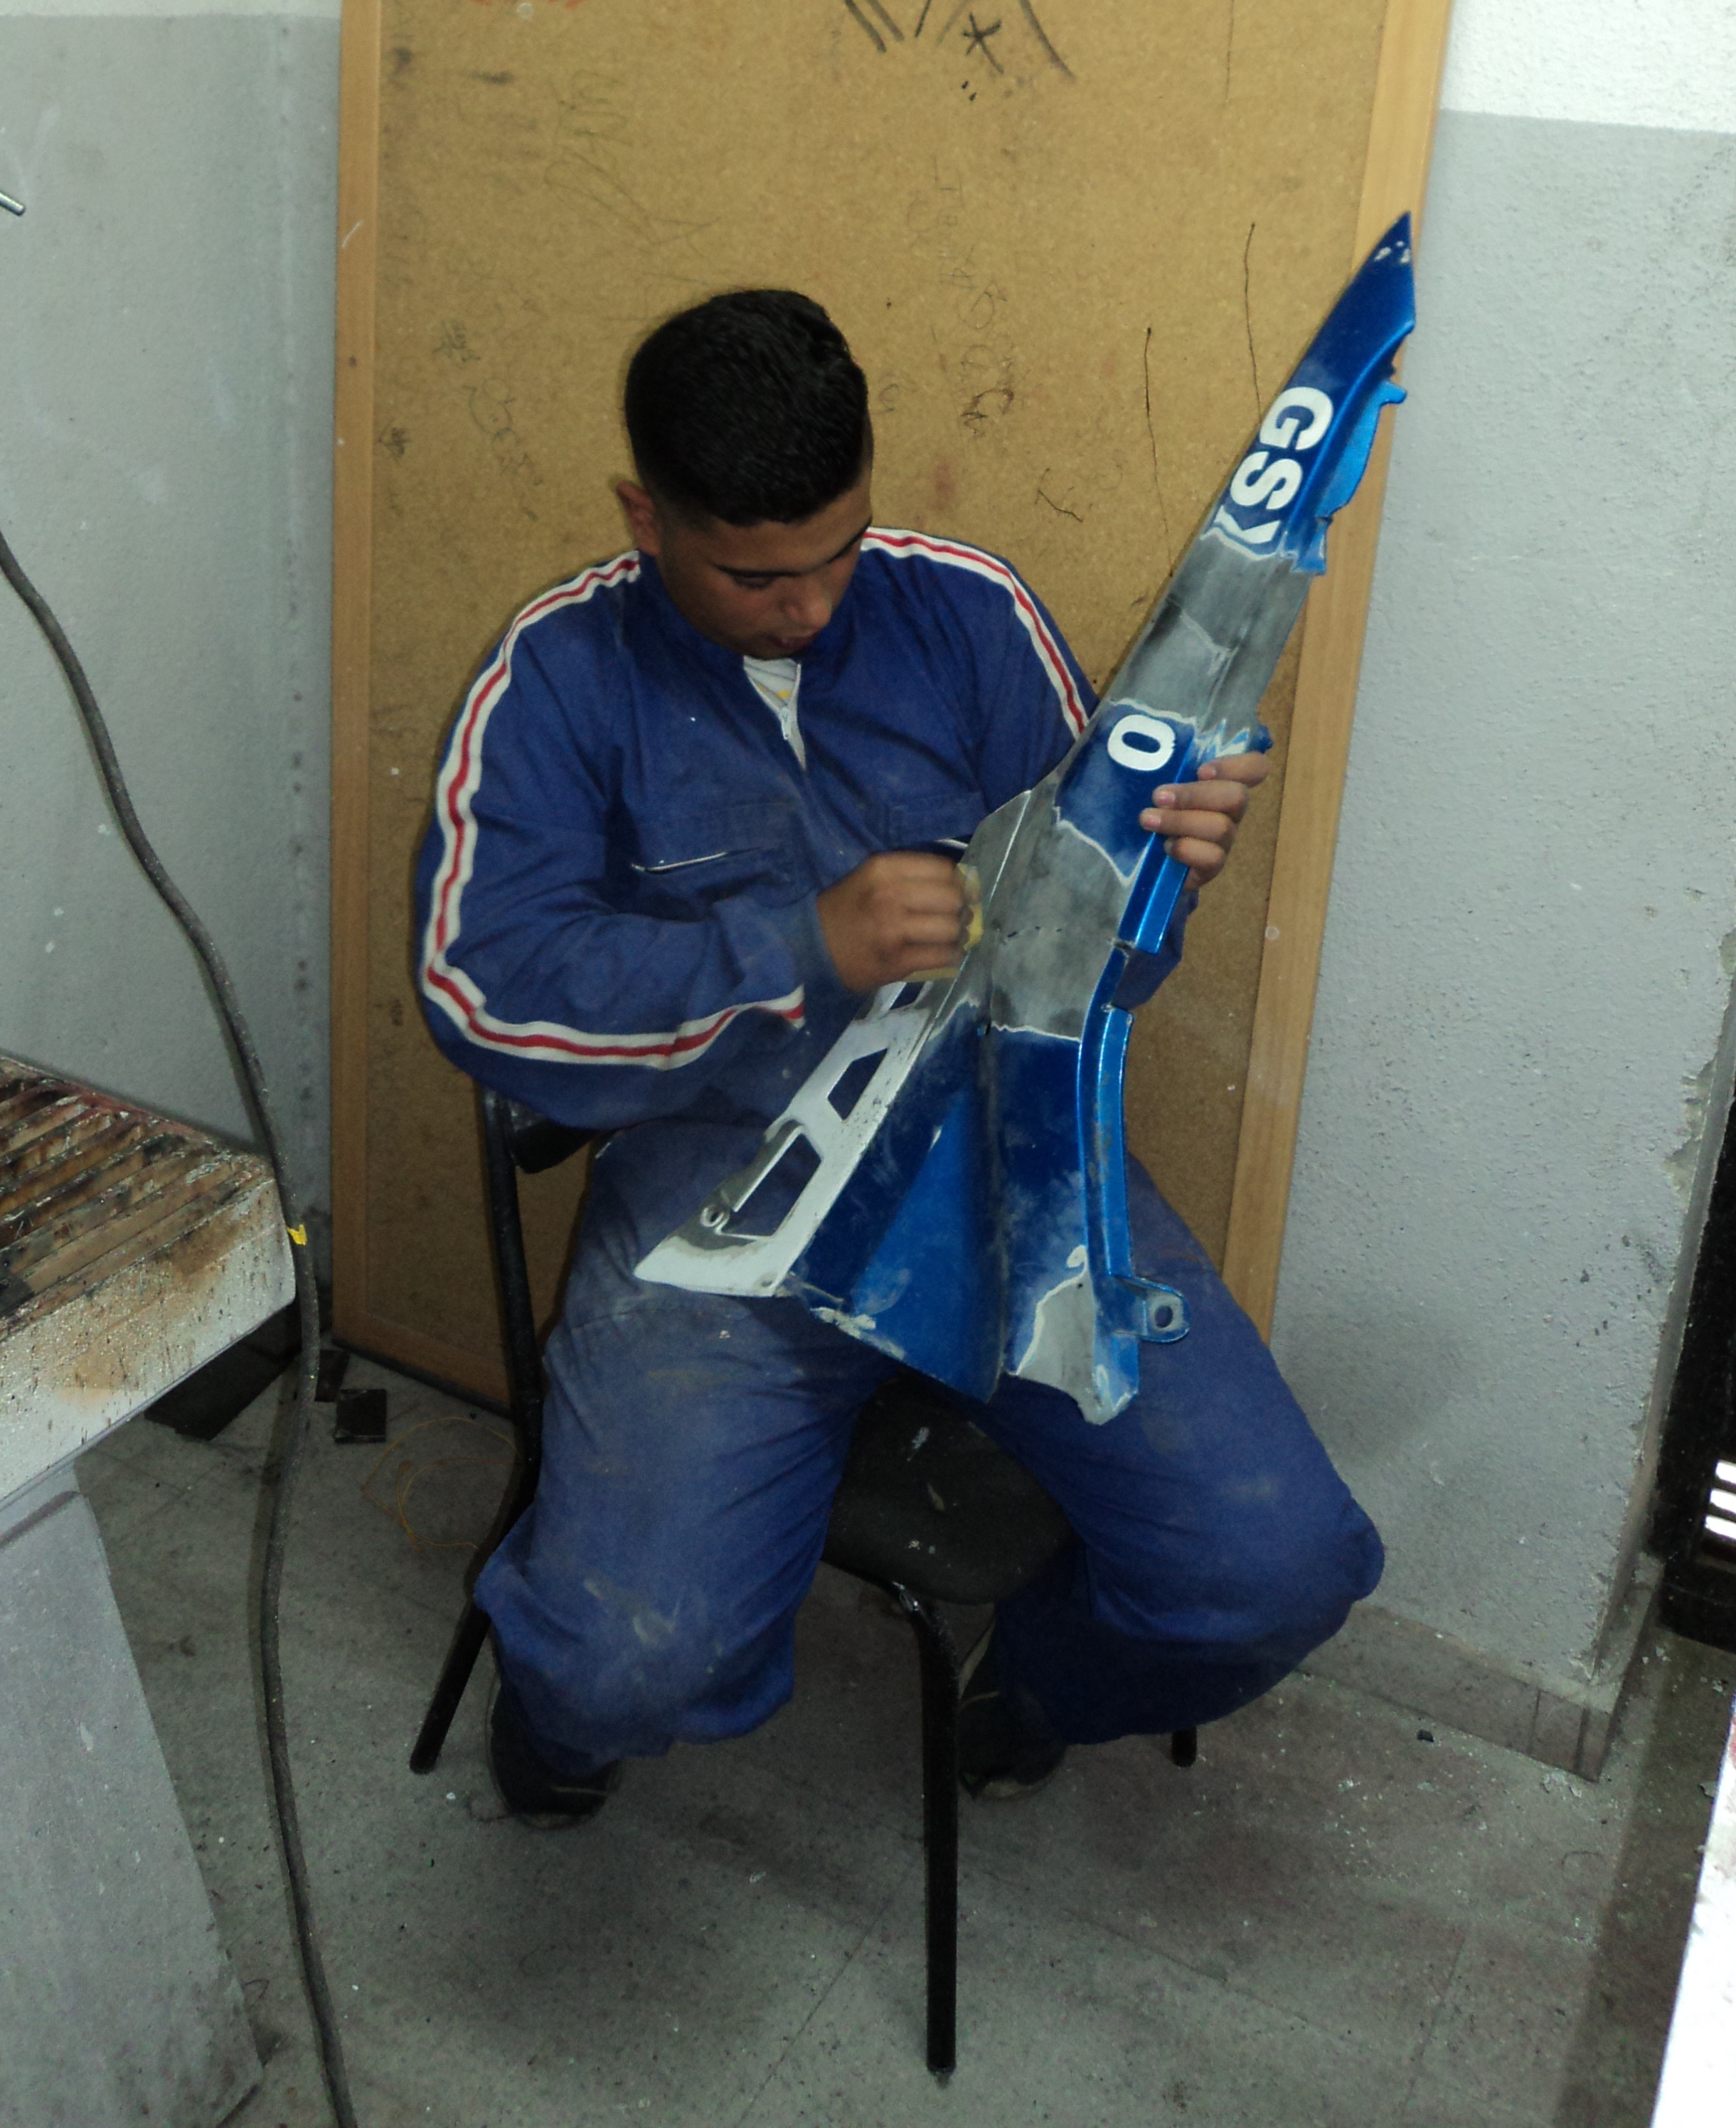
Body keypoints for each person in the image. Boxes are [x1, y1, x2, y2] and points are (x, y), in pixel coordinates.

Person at [416, 289, 1381, 1826]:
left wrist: (1156, 878)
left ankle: (1041, 1681)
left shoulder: (968, 612)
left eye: (840, 552)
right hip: (722, 1195)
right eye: (755, 574)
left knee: (1277, 1566)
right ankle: (567, 1721)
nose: (810, 607)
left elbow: (1093, 974)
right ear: (644, 517)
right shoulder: (556, 673)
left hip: (1004, 1154)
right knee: (621, 1657)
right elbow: (482, 991)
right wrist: (800, 946)